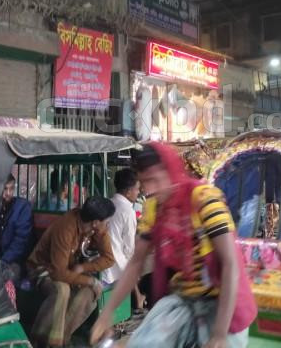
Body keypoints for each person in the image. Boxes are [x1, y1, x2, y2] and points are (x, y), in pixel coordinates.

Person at [90, 143, 257, 348]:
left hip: (220, 303)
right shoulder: (153, 208)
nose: (149, 189)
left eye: (154, 180)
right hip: (183, 300)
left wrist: (220, 334)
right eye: (144, 182)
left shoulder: (205, 199)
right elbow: (135, 264)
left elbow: (230, 264)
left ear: (170, 172)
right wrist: (107, 314)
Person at [27, 196, 116, 348]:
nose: (108, 226)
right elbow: (58, 273)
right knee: (62, 289)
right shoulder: (66, 227)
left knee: (91, 292)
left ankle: (61, 339)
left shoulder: (96, 229)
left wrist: (83, 268)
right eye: (107, 222)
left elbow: (109, 258)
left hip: (68, 269)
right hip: (43, 269)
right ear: (95, 222)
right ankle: (39, 340)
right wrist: (90, 280)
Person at [102, 168, 140, 286]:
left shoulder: (107, 203)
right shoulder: (128, 211)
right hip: (116, 271)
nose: (138, 192)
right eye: (137, 189)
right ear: (128, 191)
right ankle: (139, 299)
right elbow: (129, 250)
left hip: (102, 268)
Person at [0, 174, 34, 284]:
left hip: (17, 261)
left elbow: (20, 241)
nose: (8, 193)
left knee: (6, 276)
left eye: (11, 189)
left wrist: (3, 261)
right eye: (5, 189)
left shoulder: (23, 207)